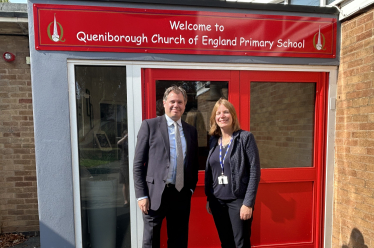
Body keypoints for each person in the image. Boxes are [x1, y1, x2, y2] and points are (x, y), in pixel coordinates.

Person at [133, 85, 199, 248]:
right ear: (164, 103)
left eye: (180, 102)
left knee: (179, 240)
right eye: (172, 101)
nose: (176, 105)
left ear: (184, 105)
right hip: (154, 194)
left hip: (180, 193)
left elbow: (193, 163)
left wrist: (190, 189)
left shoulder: (191, 131)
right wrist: (141, 195)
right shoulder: (150, 126)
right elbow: (137, 164)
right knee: (151, 241)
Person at [205, 98, 261, 248]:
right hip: (217, 201)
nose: (222, 116)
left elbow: (254, 171)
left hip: (238, 201)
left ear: (233, 116)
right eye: (218, 113)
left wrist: (248, 203)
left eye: (226, 112)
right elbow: (211, 171)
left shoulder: (245, 138)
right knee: (226, 242)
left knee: (240, 244)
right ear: (214, 118)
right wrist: (210, 197)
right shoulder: (213, 141)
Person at [117, 130, 129, 206]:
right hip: (124, 164)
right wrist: (125, 137)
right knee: (125, 183)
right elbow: (118, 143)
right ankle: (126, 200)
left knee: (130, 182)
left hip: (130, 163)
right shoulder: (123, 143)